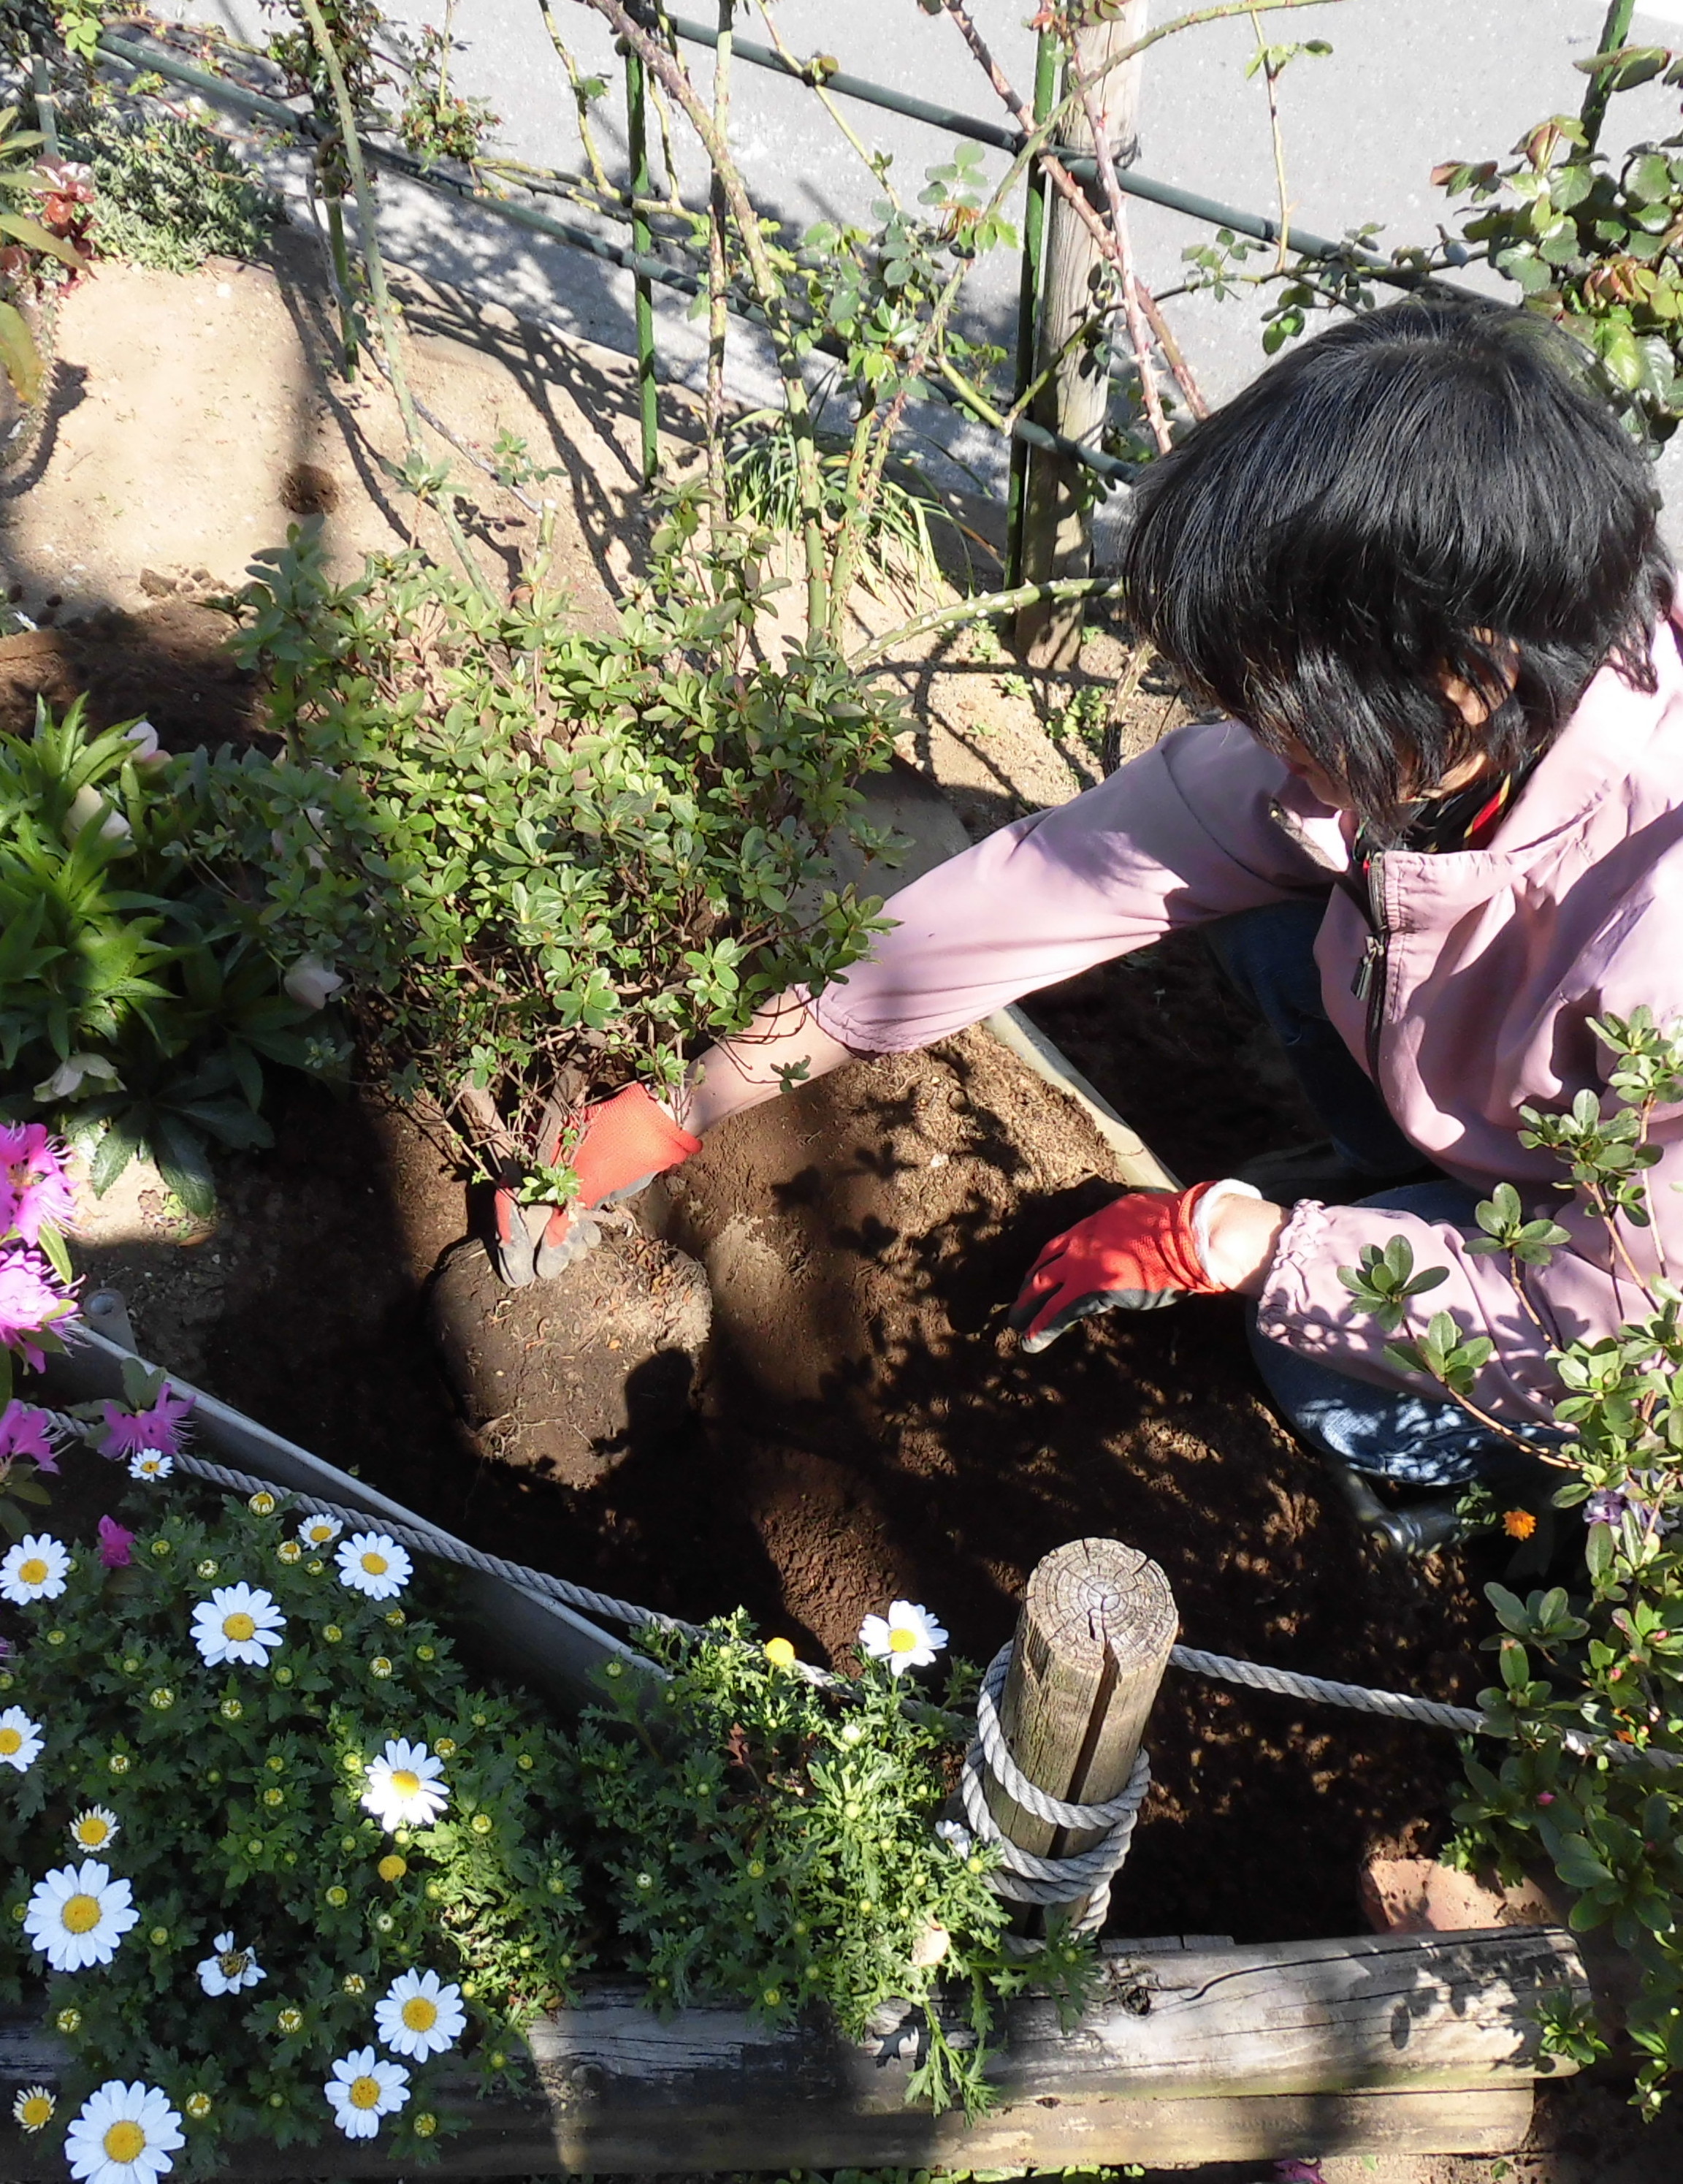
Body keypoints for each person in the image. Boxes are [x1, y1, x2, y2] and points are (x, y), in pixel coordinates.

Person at [495, 298, 1683, 1508]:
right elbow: (1057, 882)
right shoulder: (1428, 738)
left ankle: (1465, 1493)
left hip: (1629, 1300)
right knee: (1285, 920)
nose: (1269, 744)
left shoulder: (1663, 943)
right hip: (1497, 1100)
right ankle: (1393, 1173)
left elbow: (1627, 1347)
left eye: (1294, 712)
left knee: (1319, 1378)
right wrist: (703, 1092)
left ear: (1466, 680)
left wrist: (1263, 1247)